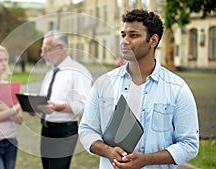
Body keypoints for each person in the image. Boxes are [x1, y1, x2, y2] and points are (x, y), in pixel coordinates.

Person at [78, 9, 199, 169]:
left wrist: (147, 160)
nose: (124, 41)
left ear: (153, 41)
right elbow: (87, 130)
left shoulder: (177, 89)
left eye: (133, 35)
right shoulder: (103, 84)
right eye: (123, 35)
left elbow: (189, 145)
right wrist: (108, 151)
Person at [29, 30, 92, 169]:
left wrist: (63, 107)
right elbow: (46, 102)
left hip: (64, 131)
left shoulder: (78, 72)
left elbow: (87, 106)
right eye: (42, 50)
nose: (42, 54)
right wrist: (35, 109)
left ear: (61, 48)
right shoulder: (51, 73)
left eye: (47, 49)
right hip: (46, 129)